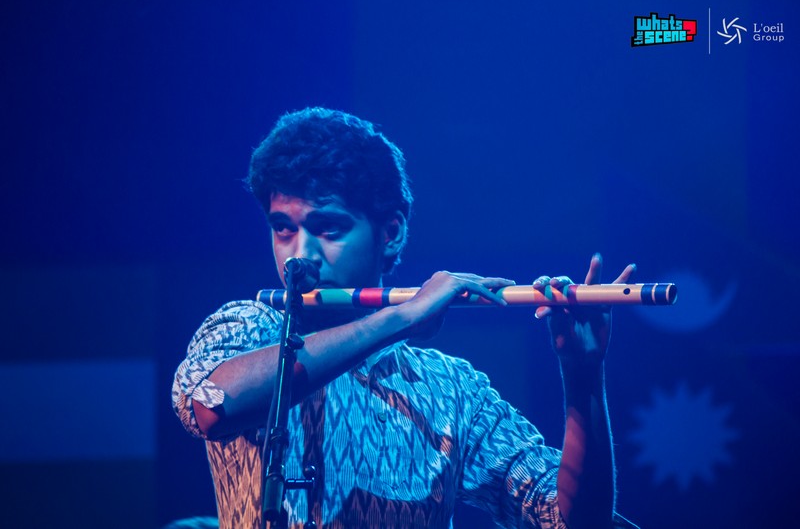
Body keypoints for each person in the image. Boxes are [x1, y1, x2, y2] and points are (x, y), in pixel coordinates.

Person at [172, 107, 638, 528]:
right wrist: (399, 318)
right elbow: (211, 406)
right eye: (283, 229)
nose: (301, 255)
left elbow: (572, 522)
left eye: (327, 228)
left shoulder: (451, 389)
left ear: (391, 233)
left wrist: (582, 377)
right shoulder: (248, 328)